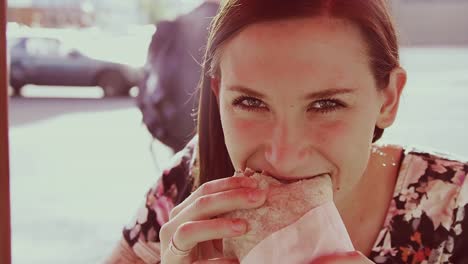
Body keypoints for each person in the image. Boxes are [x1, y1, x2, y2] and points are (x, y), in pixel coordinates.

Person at [106, 0, 468, 263]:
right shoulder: (184, 189)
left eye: (326, 105)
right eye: (250, 102)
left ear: (388, 100)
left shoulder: (456, 205)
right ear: (219, 97)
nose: (283, 157)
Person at [137, 0, 220, 152]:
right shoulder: (227, 24)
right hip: (212, 132)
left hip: (174, 127)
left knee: (183, 168)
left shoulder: (179, 23)